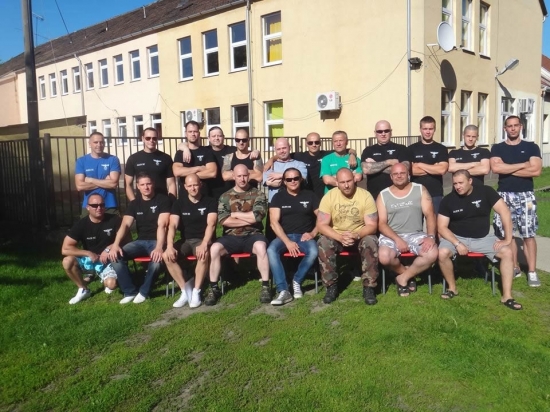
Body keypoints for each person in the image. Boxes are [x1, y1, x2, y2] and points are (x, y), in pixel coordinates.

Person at [438, 170, 523, 310]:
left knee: (507, 252)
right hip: (457, 237)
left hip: (482, 238)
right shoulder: (448, 200)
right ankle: (452, 288)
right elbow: (441, 227)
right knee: (442, 253)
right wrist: (457, 243)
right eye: (455, 184)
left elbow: (505, 212)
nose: (457, 186)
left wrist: (508, 239)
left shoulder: (486, 192)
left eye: (461, 183)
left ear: (470, 181)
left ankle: (507, 296)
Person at [205, 164, 270, 306]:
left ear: (249, 176)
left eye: (245, 175)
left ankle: (265, 286)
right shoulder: (225, 196)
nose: (242, 179)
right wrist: (248, 218)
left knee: (261, 247)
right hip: (231, 237)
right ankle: (214, 288)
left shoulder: (258, 194)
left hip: (253, 235)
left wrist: (235, 214)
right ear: (233, 176)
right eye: (239, 176)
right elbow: (224, 221)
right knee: (214, 249)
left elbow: (258, 217)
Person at [490, 115, 543, 286]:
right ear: (505, 128)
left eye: (515, 125)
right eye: (509, 126)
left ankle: (532, 272)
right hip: (504, 195)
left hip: (526, 195)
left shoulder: (531, 147)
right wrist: (523, 165)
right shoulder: (497, 148)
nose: (512, 128)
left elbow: (536, 171)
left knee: (528, 234)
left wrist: (507, 168)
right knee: (509, 234)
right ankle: (514, 267)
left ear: (521, 127)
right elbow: (496, 168)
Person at [316, 168, 379, 305]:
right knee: (323, 242)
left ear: (354, 179)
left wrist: (357, 235)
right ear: (337, 183)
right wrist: (340, 237)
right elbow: (321, 225)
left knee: (371, 241)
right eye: (342, 182)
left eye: (349, 181)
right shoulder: (329, 196)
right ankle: (331, 286)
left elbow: (372, 225)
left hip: (359, 235)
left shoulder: (365, 196)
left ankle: (369, 287)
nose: (346, 185)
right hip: (338, 236)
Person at [109, 173, 171, 304]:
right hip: (140, 241)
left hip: (157, 241)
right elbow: (125, 225)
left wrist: (159, 247)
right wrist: (115, 245)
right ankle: (129, 291)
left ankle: (144, 292)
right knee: (115, 256)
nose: (146, 187)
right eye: (142, 184)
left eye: (148, 184)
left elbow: (163, 225)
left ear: (153, 184)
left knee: (156, 261)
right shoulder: (134, 204)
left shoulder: (163, 200)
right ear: (137, 186)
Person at [377, 163, 438, 297]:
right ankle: (406, 272)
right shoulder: (383, 195)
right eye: (395, 174)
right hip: (392, 235)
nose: (399, 176)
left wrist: (431, 236)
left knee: (432, 254)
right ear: (391, 177)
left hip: (415, 233)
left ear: (408, 174)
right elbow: (381, 224)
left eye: (402, 173)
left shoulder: (420, 189)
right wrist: (397, 239)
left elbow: (430, 214)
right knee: (384, 257)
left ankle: (403, 278)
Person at [267, 168, 320, 306]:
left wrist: (313, 233)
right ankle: (283, 290)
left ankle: (297, 280)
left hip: (304, 236)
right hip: (284, 236)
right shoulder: (278, 197)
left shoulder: (310, 195)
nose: (293, 181)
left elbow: (322, 218)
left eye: (296, 178)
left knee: (313, 251)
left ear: (301, 179)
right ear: (284, 181)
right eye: (289, 179)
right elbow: (273, 222)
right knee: (271, 250)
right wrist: (287, 242)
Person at [163, 174, 217, 308]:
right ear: (185, 187)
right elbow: (172, 225)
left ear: (200, 185)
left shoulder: (210, 201)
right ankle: (185, 290)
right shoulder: (179, 203)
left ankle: (196, 291)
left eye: (195, 185)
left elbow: (211, 224)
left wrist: (204, 243)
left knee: (203, 254)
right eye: (190, 186)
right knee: (166, 256)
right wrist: (169, 246)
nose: (193, 188)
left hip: (202, 239)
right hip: (186, 240)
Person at [61, 194, 121, 304]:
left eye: (102, 205)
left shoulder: (114, 219)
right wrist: (88, 253)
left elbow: (125, 240)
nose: (99, 208)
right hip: (88, 260)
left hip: (107, 260)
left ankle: (101, 278)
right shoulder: (81, 224)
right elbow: (65, 249)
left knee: (111, 284)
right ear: (87, 207)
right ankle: (83, 288)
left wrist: (108, 249)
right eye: (94, 205)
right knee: (67, 261)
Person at [178, 126, 261, 199]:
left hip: (229, 193)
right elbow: (184, 144)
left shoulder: (231, 150)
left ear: (223, 137)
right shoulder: (205, 151)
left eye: (219, 136)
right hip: (210, 192)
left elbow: (244, 149)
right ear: (209, 138)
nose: (216, 138)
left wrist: (256, 151)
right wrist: (185, 148)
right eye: (213, 136)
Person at [361, 120, 411, 200]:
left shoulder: (401, 148)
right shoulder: (368, 150)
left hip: (398, 195)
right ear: (375, 133)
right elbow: (366, 169)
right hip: (375, 196)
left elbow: (404, 169)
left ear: (391, 132)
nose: (383, 134)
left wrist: (375, 165)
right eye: (380, 131)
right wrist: (389, 162)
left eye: (386, 131)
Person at [408, 116, 449, 213]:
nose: (428, 132)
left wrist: (419, 164)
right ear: (420, 129)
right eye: (425, 129)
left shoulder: (441, 148)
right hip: (416, 193)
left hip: (435, 193)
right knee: (416, 221)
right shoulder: (411, 149)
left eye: (430, 129)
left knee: (435, 221)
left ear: (434, 130)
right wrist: (434, 167)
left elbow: (442, 170)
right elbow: (410, 171)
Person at [74, 132, 121, 216]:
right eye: (96, 142)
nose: (99, 145)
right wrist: (105, 182)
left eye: (101, 142)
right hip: (89, 206)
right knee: (86, 225)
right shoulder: (81, 161)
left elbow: (113, 184)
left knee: (115, 224)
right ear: (89, 144)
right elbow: (79, 186)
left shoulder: (113, 159)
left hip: (109, 205)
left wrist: (91, 180)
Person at [124, 127, 176, 201]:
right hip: (141, 202)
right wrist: (134, 203)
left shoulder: (166, 158)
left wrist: (172, 202)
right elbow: (128, 184)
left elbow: (171, 184)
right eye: (148, 138)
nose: (151, 140)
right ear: (143, 138)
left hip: (162, 201)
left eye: (154, 138)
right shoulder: (133, 158)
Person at [173, 121, 217, 196]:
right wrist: (198, 168)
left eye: (195, 131)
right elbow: (177, 172)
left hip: (204, 196)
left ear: (199, 133)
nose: (193, 134)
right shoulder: (180, 153)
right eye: (190, 132)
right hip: (185, 197)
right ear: (186, 134)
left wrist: (186, 174)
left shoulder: (207, 152)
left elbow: (212, 173)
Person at [263, 137, 307, 202]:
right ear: (275, 150)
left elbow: (302, 179)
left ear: (290, 147)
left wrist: (280, 175)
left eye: (284, 148)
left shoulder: (300, 164)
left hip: (296, 202)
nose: (282, 151)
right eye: (278, 149)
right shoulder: (270, 166)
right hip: (275, 204)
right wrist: (292, 180)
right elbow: (269, 183)